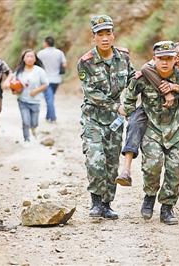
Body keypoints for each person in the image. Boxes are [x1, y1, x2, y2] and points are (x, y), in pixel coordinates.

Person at [122, 41, 179, 225]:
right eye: (160, 59)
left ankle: (167, 208)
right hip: (152, 129)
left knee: (174, 171)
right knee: (152, 166)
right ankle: (149, 196)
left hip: (176, 130)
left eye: (169, 59)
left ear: (175, 59)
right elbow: (129, 99)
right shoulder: (142, 77)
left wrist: (176, 89)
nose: (165, 62)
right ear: (153, 59)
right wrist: (134, 118)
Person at [77, 15, 135, 220]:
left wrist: (130, 103)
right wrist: (116, 106)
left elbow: (133, 82)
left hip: (115, 122)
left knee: (111, 162)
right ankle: (95, 201)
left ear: (113, 35)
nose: (104, 38)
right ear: (93, 37)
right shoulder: (86, 62)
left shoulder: (124, 57)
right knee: (95, 159)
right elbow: (91, 92)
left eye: (108, 33)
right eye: (100, 34)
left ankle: (106, 204)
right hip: (93, 118)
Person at [4, 49, 49, 146]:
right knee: (25, 121)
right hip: (23, 100)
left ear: (35, 59)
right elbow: (12, 85)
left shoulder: (39, 71)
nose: (29, 58)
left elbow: (46, 84)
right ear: (23, 59)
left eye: (31, 56)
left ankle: (33, 129)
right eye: (27, 56)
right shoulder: (19, 71)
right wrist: (14, 90)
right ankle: (26, 139)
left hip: (36, 101)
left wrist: (36, 91)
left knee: (34, 123)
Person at [37, 36, 67, 123]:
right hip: (56, 79)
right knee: (50, 98)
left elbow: (36, 65)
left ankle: (53, 118)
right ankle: (48, 117)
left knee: (49, 99)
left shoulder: (41, 53)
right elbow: (64, 64)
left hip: (45, 80)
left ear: (46, 43)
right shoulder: (59, 53)